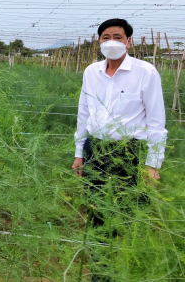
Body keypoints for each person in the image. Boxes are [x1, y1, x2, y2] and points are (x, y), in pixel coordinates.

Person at [72, 18, 167, 279]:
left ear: (129, 41)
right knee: (96, 211)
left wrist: (152, 165)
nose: (111, 41)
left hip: (129, 152)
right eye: (105, 37)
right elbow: (84, 113)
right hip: (95, 150)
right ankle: (100, 272)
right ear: (98, 41)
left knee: (126, 214)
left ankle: (125, 268)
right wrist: (79, 153)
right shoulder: (91, 72)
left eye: (117, 36)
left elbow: (157, 122)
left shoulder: (145, 72)